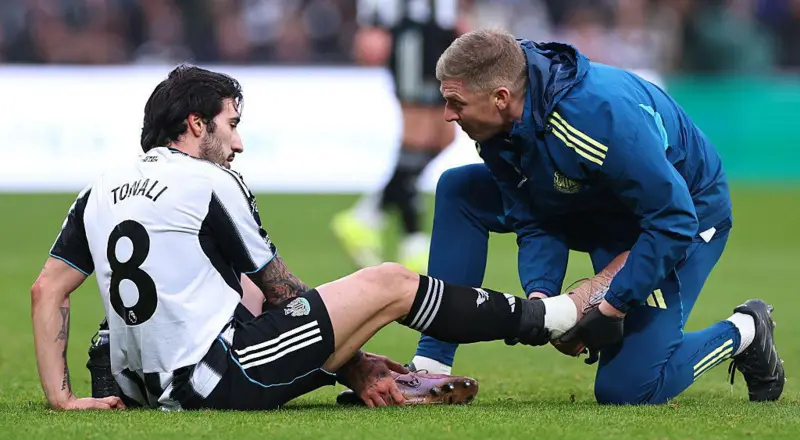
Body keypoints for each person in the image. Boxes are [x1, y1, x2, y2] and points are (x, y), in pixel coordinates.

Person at [30, 64, 617, 411]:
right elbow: (285, 293)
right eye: (232, 125)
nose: (238, 144)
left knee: (241, 290)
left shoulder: (100, 187)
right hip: (213, 380)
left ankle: (372, 371)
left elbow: (46, 291)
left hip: (136, 384)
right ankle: (553, 317)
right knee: (387, 283)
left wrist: (62, 398)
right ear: (195, 124)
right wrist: (351, 356)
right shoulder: (208, 180)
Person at [405, 28, 784, 404]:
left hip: (683, 217)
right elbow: (534, 213)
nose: (447, 115)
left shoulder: (593, 120)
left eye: (456, 103)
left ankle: (746, 331)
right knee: (460, 188)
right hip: (600, 204)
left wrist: (611, 305)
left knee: (628, 389)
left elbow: (673, 218)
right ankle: (431, 366)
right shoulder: (500, 115)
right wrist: (542, 303)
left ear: (500, 98)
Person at [330, 0, 470, 273]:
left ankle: (366, 216)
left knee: (444, 136)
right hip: (411, 33)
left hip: (441, 33)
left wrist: (455, 16)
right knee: (416, 136)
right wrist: (372, 22)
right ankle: (413, 241)